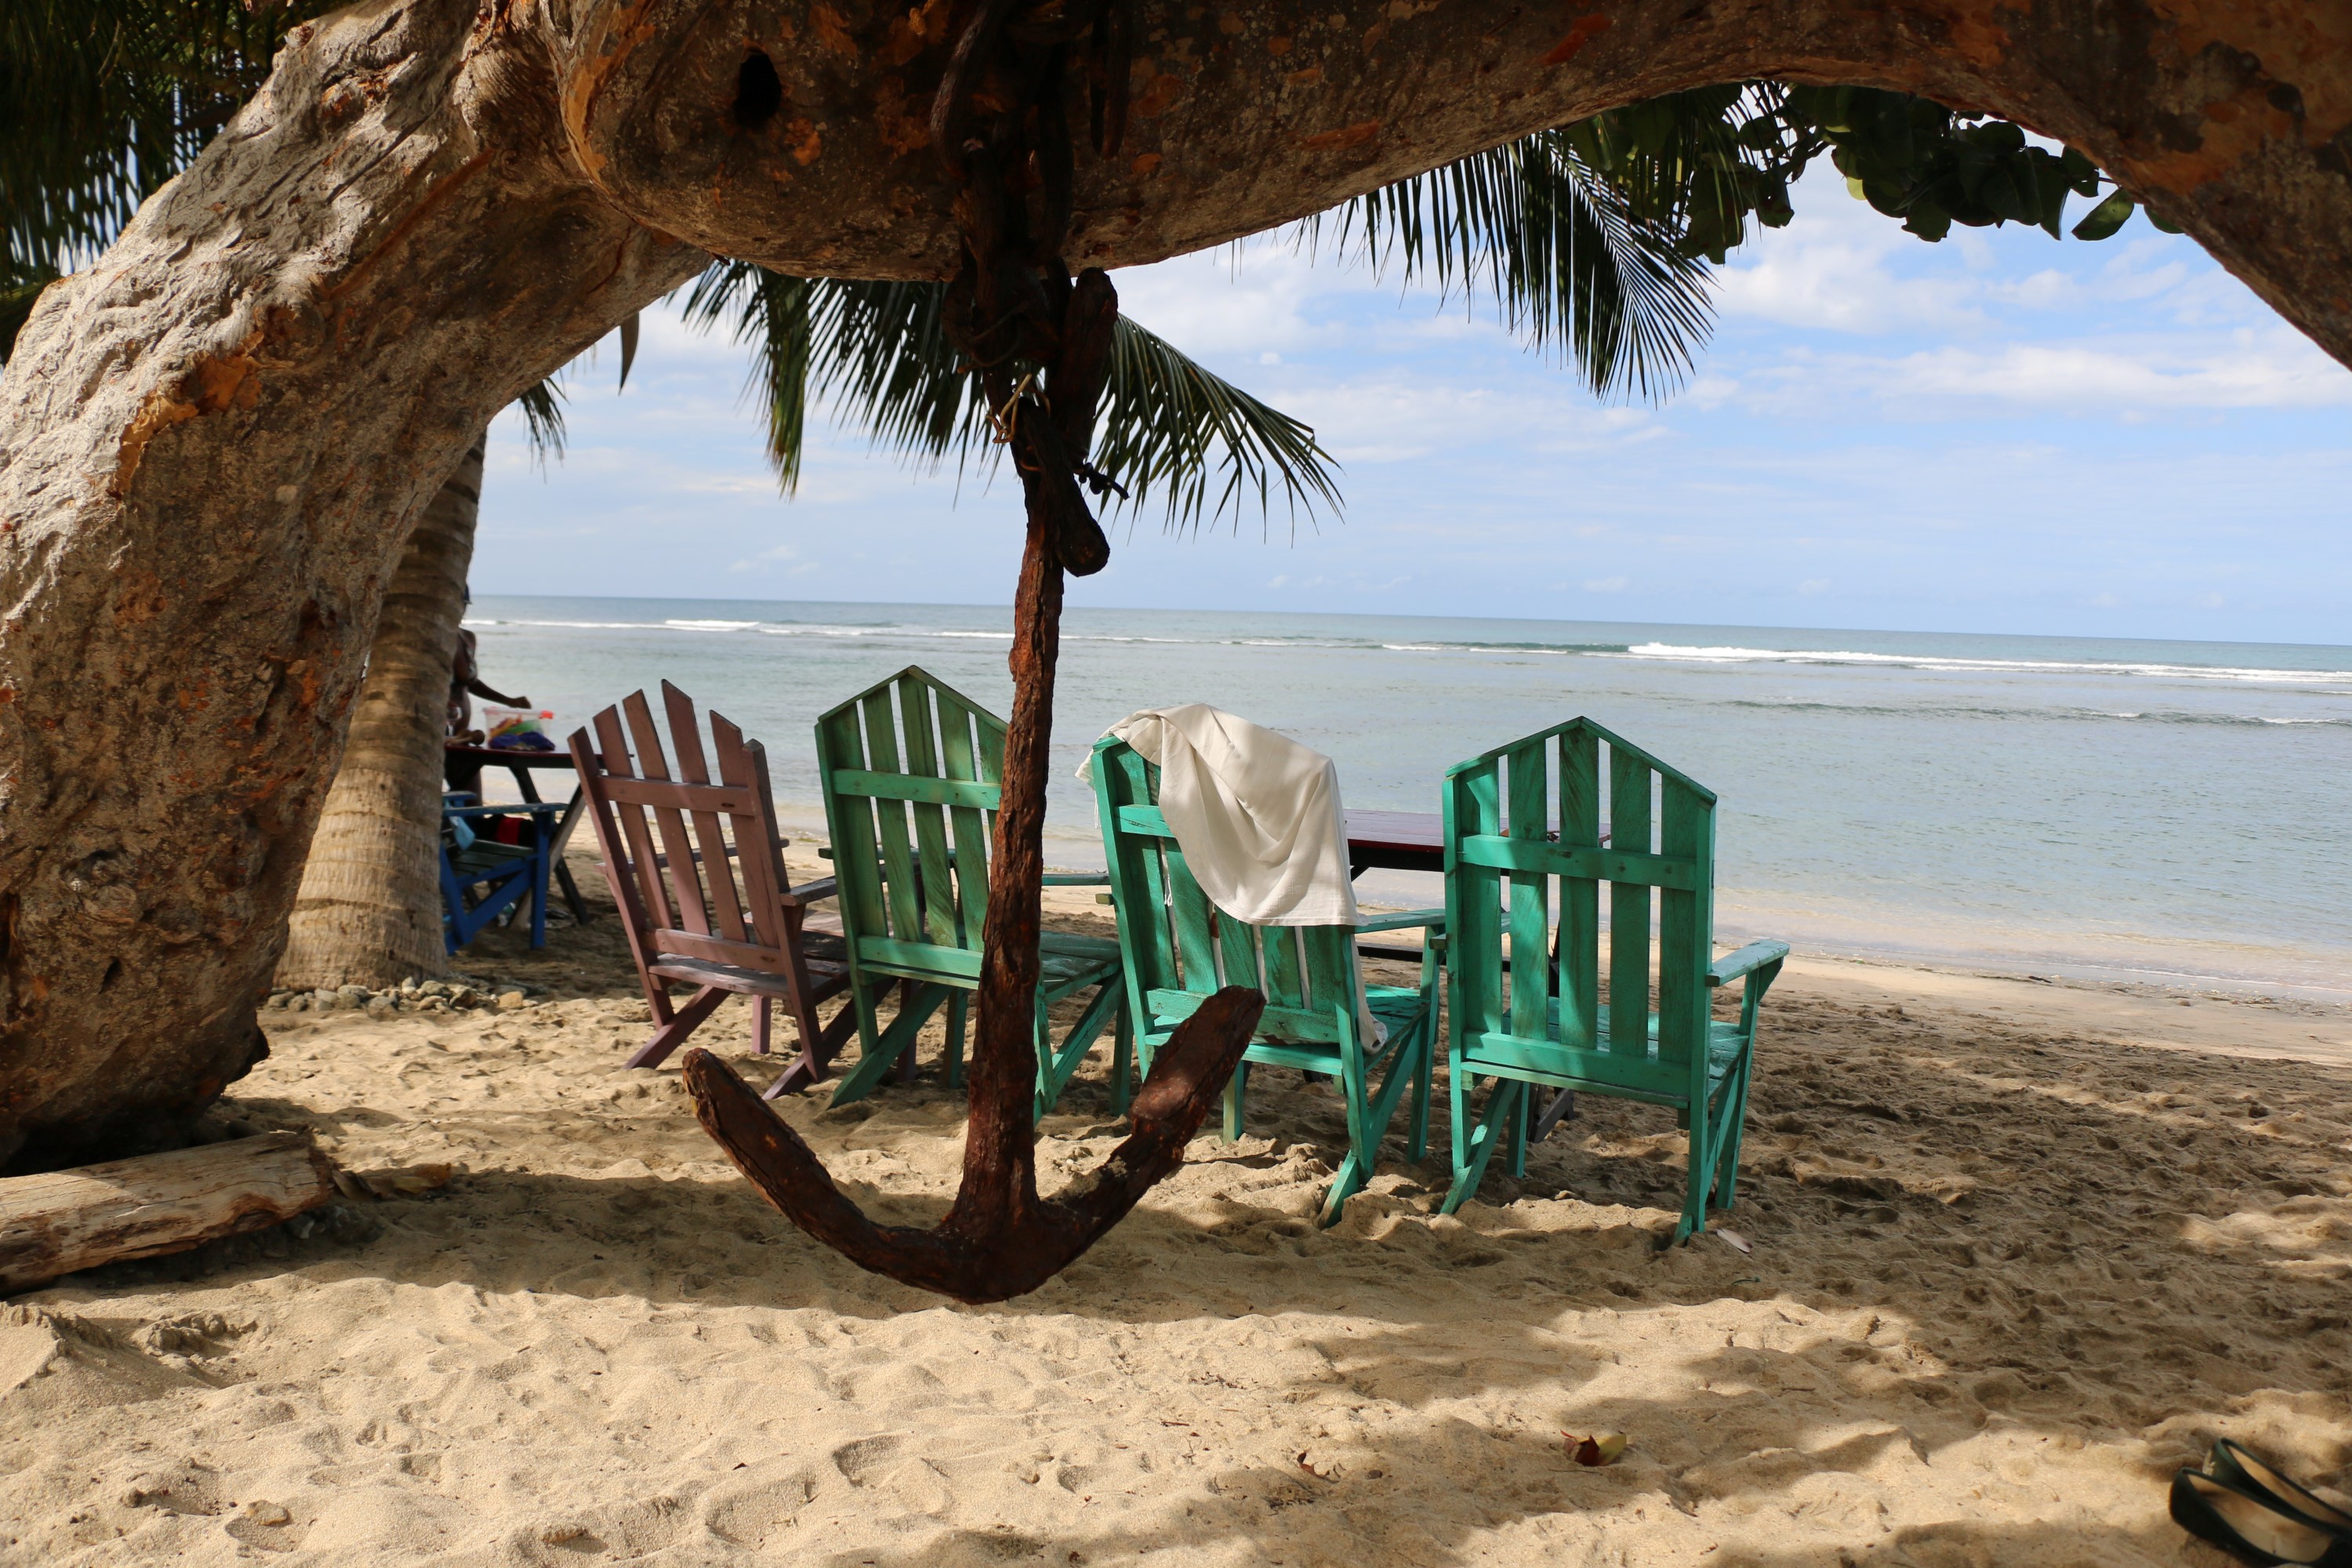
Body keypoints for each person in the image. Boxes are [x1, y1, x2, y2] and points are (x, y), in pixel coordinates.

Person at [445, 626, 530, 795]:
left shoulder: (467, 637)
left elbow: (469, 682)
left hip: (461, 738)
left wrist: (508, 700)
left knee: (471, 803)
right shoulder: (437, 632)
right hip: (438, 739)